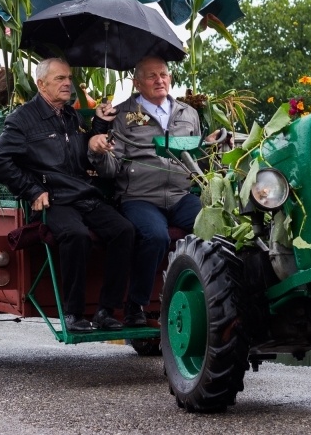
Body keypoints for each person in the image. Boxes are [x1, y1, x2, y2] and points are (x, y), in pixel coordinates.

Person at [0, 57, 134, 333]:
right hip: (54, 200)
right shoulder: (22, 120)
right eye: (60, 79)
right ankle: (73, 314)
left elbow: (80, 156)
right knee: (76, 235)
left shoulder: (70, 116)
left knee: (124, 230)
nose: (68, 83)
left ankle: (105, 311)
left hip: (83, 196)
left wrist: (99, 127)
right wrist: (31, 189)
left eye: (68, 78)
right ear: (41, 84)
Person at [88, 55, 223, 327]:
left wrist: (213, 145)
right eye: (151, 76)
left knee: (216, 228)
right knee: (155, 236)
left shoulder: (188, 113)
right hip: (139, 197)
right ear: (137, 83)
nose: (159, 80)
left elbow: (196, 162)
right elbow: (112, 169)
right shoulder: (123, 114)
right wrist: (99, 154)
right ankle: (135, 306)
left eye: (163, 74)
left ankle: (213, 301)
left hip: (180, 196)